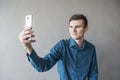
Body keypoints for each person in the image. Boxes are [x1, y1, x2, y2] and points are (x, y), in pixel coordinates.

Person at [18, 14, 98, 80]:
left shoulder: (91, 48)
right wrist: (28, 47)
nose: (73, 30)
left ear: (86, 29)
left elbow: (93, 74)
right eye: (71, 27)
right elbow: (43, 66)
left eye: (77, 27)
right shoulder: (62, 46)